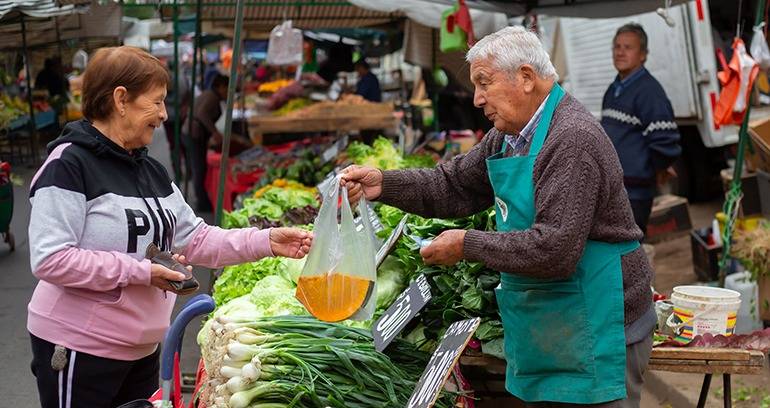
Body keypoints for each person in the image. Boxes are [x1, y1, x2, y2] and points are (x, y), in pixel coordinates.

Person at [342, 26, 655, 407]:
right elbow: (454, 185)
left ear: (525, 78)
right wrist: (384, 185)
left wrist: (466, 244)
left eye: (484, 83)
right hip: (557, 317)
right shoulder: (510, 136)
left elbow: (555, 249)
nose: (476, 99)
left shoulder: (572, 139)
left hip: (601, 321)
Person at [26, 46, 312, 408]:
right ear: (121, 99)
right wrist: (142, 272)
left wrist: (268, 241)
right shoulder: (68, 165)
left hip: (143, 348)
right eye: (157, 102)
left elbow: (197, 238)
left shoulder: (149, 170)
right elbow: (51, 259)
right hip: (79, 346)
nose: (164, 114)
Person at [601, 23, 681, 235]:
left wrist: (658, 167)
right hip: (613, 191)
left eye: (628, 47)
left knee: (630, 252)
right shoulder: (613, 89)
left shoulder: (649, 91)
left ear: (643, 55)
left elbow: (665, 140)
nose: (620, 52)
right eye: (617, 47)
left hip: (634, 194)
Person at [183, 73, 228, 212]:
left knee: (200, 168)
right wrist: (214, 132)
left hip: (195, 134)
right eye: (226, 88)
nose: (228, 91)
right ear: (220, 86)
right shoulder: (211, 97)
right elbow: (201, 114)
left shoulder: (211, 95)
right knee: (199, 169)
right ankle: (202, 203)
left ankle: (203, 199)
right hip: (193, 135)